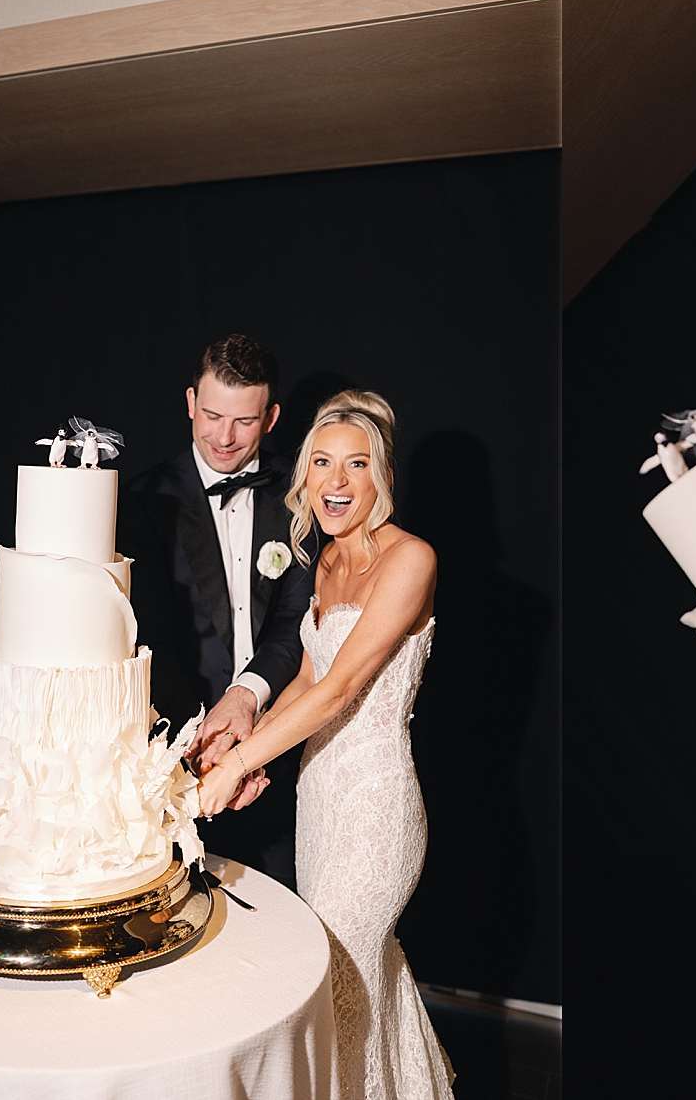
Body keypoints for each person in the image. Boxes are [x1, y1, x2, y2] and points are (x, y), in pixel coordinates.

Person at [196, 389, 454, 1100]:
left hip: (377, 802)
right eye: (321, 463)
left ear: (382, 477)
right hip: (319, 799)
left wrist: (243, 762)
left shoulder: (412, 560)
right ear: (304, 476)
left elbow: (339, 691)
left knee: (338, 975)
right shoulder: (326, 563)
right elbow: (305, 677)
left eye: (356, 464)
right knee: (352, 976)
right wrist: (241, 749)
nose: (336, 482)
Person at [118, 334, 315, 880]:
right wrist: (205, 745)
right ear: (189, 403)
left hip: (278, 737)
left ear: (271, 417)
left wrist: (247, 706)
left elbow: (296, 618)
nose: (224, 438)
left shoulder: (298, 494)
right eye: (210, 415)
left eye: (244, 422)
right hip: (183, 751)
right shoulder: (142, 502)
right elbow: (148, 636)